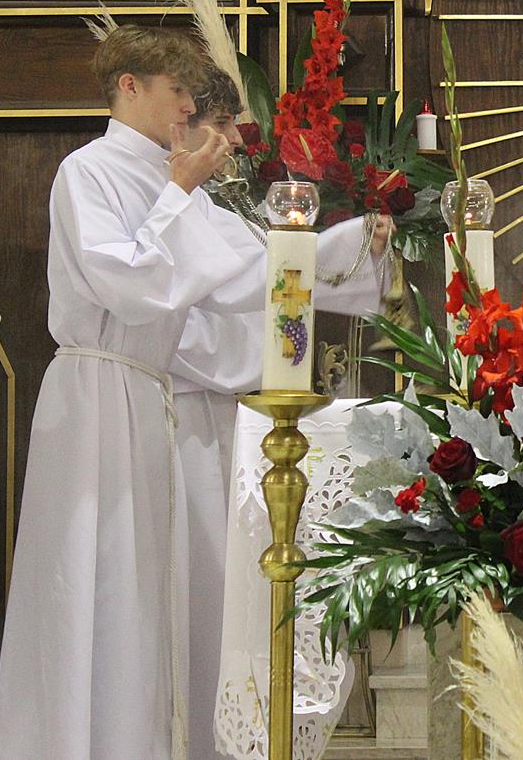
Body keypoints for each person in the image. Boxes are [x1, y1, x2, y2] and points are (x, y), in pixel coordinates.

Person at [169, 60, 390, 760]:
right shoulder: (165, 208)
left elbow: (276, 269)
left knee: (216, 596)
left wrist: (358, 244)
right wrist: (346, 245)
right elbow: (265, 277)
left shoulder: (205, 211)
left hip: (221, 415)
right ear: (181, 128)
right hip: (176, 415)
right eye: (220, 128)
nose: (235, 144)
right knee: (188, 596)